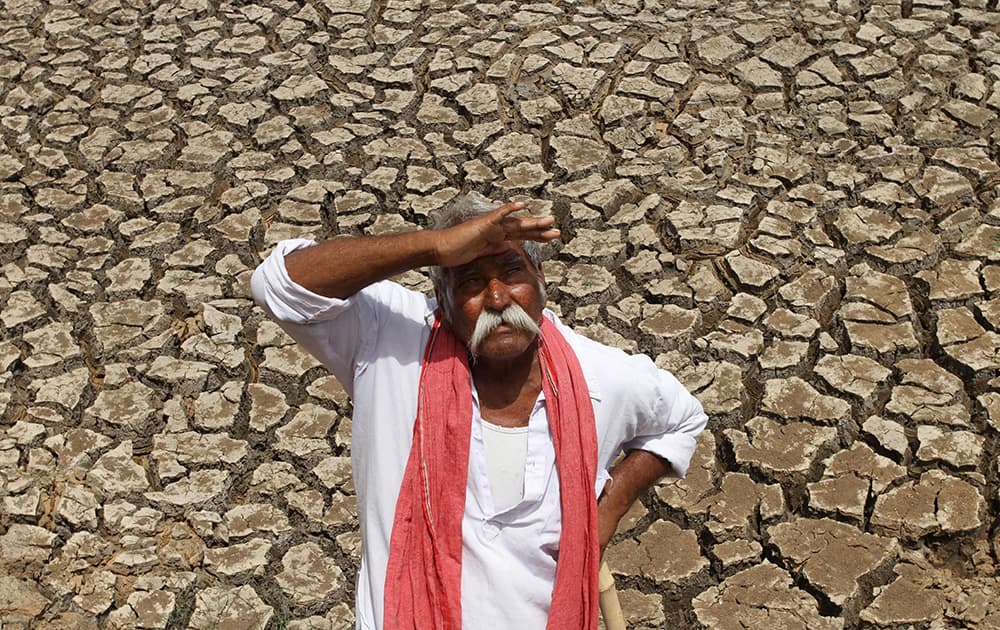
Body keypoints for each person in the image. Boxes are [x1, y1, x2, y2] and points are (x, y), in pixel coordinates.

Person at [251, 193, 707, 630]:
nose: (496, 298)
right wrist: (436, 246)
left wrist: (604, 516)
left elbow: (680, 420)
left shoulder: (600, 376)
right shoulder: (391, 341)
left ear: (541, 281)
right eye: (469, 281)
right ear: (441, 302)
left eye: (512, 273)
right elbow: (279, 285)